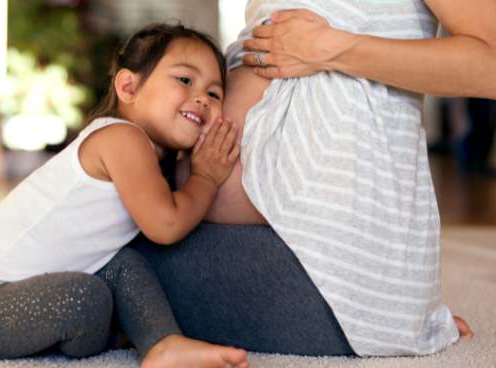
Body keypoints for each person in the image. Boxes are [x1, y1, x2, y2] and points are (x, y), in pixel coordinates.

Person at [131, 0, 482, 358]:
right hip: (277, 252)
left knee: (112, 262)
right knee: (103, 241)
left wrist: (331, 48)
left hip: (321, 276)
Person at [0, 23, 248, 368]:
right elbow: (167, 225)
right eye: (185, 80)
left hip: (26, 290)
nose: (202, 98)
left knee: (123, 264)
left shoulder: (149, 155)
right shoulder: (122, 140)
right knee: (86, 298)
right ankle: (119, 332)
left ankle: (163, 343)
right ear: (128, 87)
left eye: (215, 94)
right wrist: (205, 176)